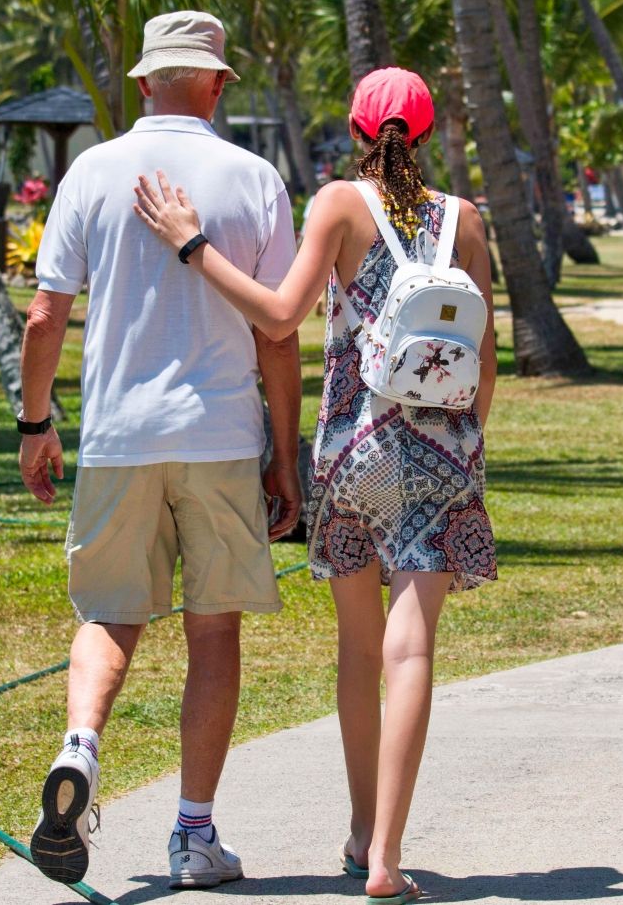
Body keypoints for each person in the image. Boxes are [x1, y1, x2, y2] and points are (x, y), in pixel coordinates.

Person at [132, 67, 497, 904]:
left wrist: (193, 246)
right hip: (440, 455)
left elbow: (280, 316)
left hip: (355, 450)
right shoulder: (465, 221)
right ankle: (385, 859)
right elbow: (485, 360)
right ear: (429, 129)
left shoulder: (337, 204)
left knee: (360, 652)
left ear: (356, 127)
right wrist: (468, 458)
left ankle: (362, 828)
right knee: (412, 651)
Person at [18, 11, 302, 890]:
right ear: (218, 82)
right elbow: (279, 335)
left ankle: (79, 746)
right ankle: (192, 836)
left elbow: (45, 314)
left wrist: (36, 424)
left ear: (143, 81)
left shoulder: (92, 171)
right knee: (212, 634)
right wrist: (284, 458)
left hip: (116, 438)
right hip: (220, 436)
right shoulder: (255, 177)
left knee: (109, 614)